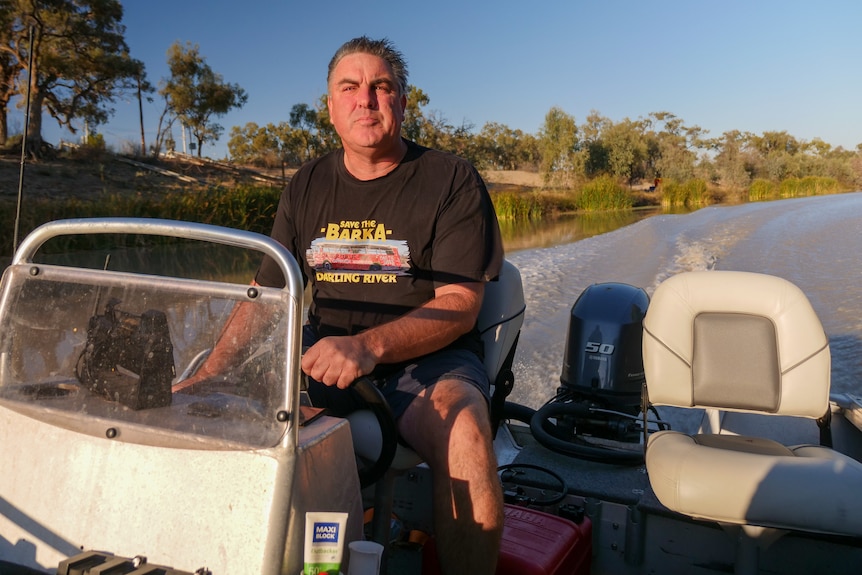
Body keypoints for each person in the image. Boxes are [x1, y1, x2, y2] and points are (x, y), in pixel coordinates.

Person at [175, 36, 504, 574]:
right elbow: (269, 296)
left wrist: (368, 346)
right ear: (330, 105)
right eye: (349, 88)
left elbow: (461, 304)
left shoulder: (451, 179)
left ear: (402, 100)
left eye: (381, 87)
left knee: (466, 432)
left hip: (425, 366)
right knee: (202, 408)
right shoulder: (306, 183)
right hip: (320, 357)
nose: (365, 100)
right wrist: (209, 376)